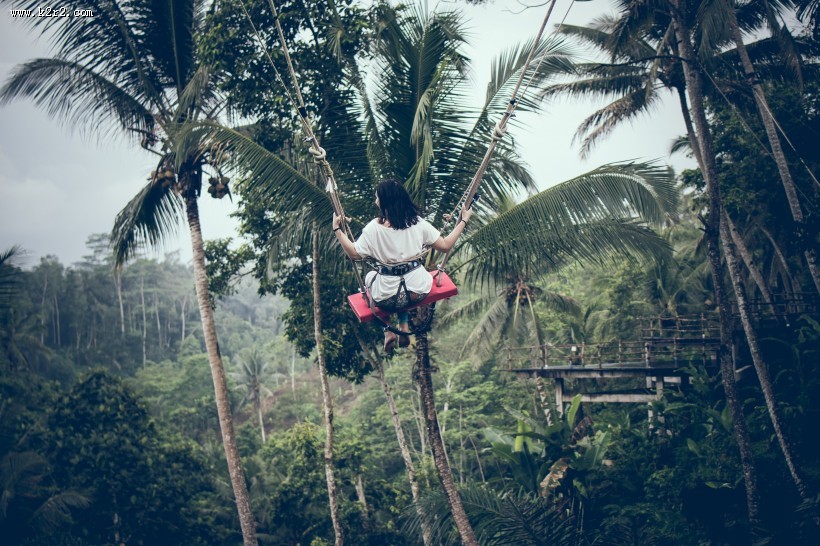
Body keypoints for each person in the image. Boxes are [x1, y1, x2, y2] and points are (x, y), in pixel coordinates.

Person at [333, 179, 473, 352]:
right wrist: (463, 221)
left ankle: (388, 331)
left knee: (371, 278)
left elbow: (354, 254)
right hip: (418, 292)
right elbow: (445, 245)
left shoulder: (373, 228)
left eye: (377, 197)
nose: (375, 200)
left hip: (387, 298)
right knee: (404, 285)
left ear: (384, 201)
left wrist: (337, 230)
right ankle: (403, 327)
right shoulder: (417, 223)